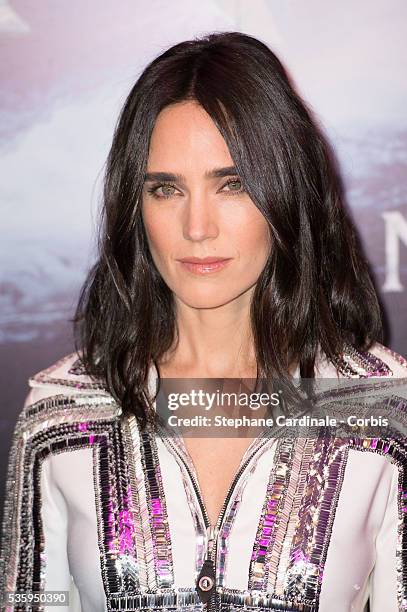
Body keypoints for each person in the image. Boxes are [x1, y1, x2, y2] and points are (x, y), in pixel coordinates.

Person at [0, 30, 406, 612]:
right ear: (135, 207)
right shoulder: (62, 411)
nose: (197, 227)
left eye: (231, 184)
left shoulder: (381, 404)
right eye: (166, 189)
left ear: (285, 190)